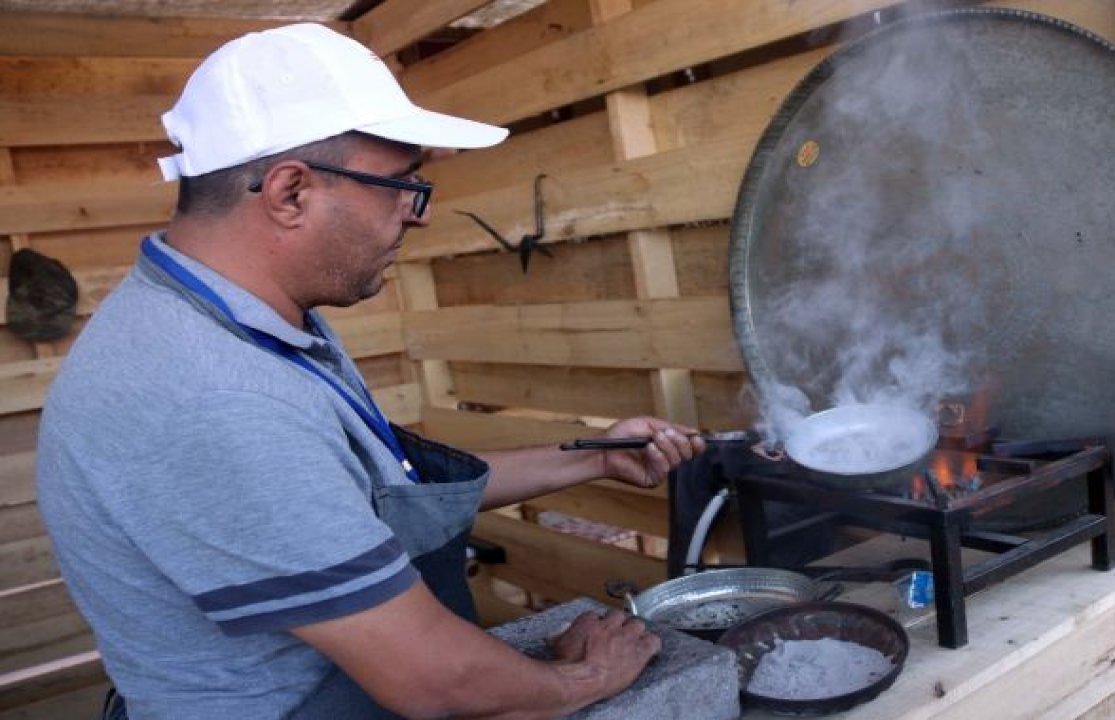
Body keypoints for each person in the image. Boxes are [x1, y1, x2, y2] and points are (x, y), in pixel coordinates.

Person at [36, 23, 705, 720]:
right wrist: (587, 679)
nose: (414, 215)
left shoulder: (240, 319)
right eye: (398, 184)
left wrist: (594, 460)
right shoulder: (208, 392)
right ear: (291, 192)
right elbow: (435, 680)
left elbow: (369, 497)